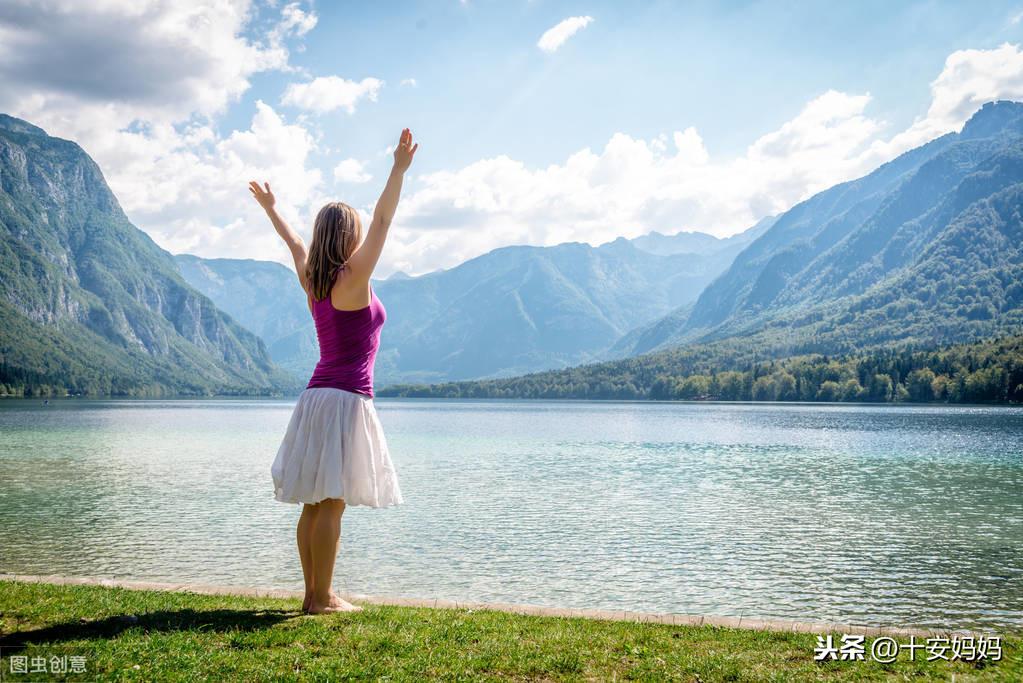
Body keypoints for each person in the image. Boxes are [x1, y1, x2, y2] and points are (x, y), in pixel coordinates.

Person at [249, 128, 418, 614]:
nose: (366, 235)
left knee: (313, 502)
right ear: (349, 236)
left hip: (316, 396)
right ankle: (321, 598)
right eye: (358, 232)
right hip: (345, 398)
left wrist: (270, 208)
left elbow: (293, 240)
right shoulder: (352, 278)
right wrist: (398, 170)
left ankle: (312, 595)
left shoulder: (313, 280)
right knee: (333, 503)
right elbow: (385, 220)